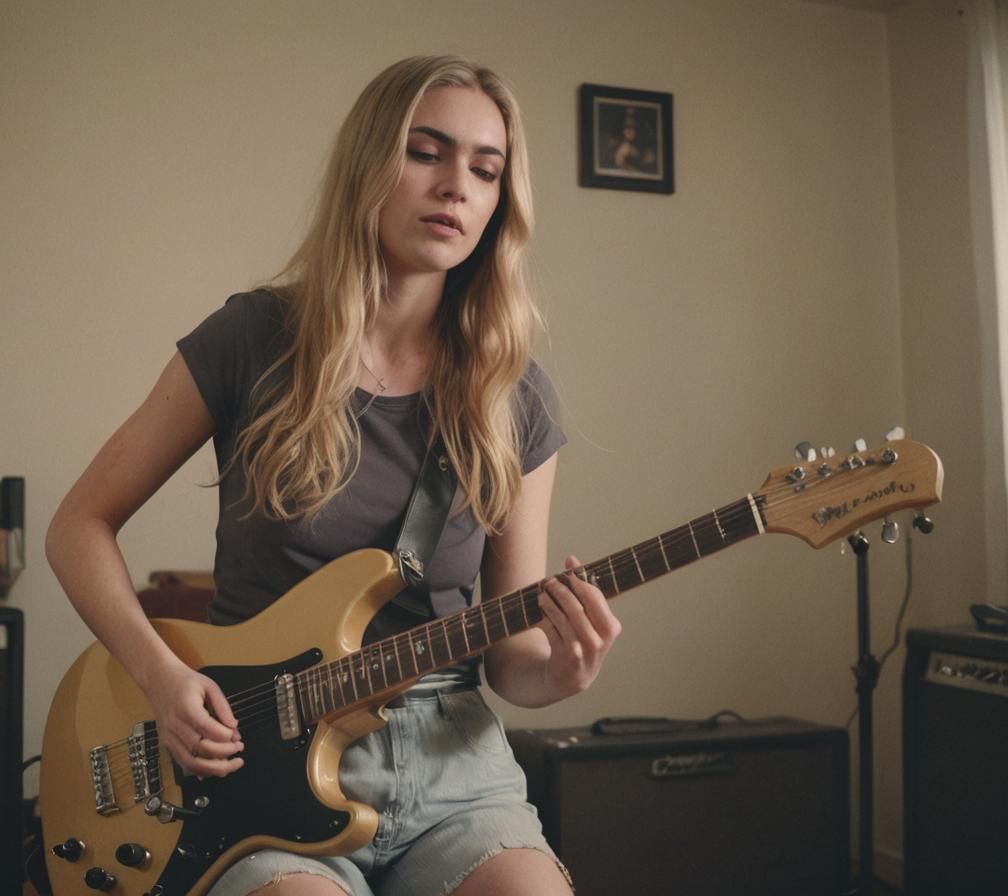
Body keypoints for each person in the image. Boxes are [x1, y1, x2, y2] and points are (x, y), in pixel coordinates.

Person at [45, 55, 621, 896]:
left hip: (451, 766)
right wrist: (164, 680)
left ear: (502, 201)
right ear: (370, 164)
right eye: (427, 152)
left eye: (486, 168)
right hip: (257, 762)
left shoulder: (513, 392)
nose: (457, 185)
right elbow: (78, 525)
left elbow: (510, 656)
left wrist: (563, 669)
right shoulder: (252, 339)